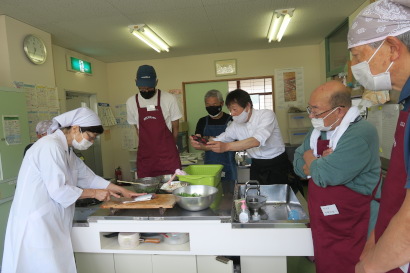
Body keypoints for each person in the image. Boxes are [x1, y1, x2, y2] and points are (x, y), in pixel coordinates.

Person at [2, 107, 142, 273]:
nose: (90, 142)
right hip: (36, 223)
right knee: (39, 266)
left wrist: (121, 189)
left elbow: (89, 177)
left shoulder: (66, 151)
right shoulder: (49, 146)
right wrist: (94, 193)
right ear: (75, 128)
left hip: (51, 220)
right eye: (90, 137)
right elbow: (59, 191)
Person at [347, 1, 410, 272]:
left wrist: (370, 267)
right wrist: (375, 241)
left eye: (359, 56)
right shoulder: (405, 103)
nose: (354, 69)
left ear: (393, 48)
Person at [293, 80, 381, 273]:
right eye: (310, 108)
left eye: (316, 110)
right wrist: (315, 162)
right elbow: (298, 164)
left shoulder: (360, 133)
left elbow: (326, 175)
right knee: (326, 264)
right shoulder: (319, 130)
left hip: (353, 222)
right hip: (324, 222)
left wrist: (312, 160)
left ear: (339, 111)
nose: (311, 115)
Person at [195, 88, 289, 185]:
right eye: (230, 110)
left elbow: (256, 141)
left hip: (277, 165)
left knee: (281, 197)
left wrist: (226, 146)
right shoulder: (235, 124)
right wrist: (200, 141)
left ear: (247, 106)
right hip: (256, 165)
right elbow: (219, 139)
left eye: (234, 109)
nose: (232, 113)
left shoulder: (266, 115)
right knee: (256, 196)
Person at [126, 65, 182, 178]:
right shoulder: (131, 102)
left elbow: (176, 127)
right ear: (136, 82)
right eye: (142, 88)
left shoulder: (169, 99)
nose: (146, 90)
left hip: (167, 156)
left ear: (156, 82)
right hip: (146, 158)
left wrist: (170, 146)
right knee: (148, 191)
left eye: (149, 88)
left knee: (172, 187)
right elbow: (137, 129)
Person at [192, 89, 237, 193]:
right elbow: (197, 144)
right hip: (209, 166)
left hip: (229, 165)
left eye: (214, 104)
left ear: (221, 103)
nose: (211, 107)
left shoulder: (232, 119)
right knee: (211, 194)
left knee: (229, 194)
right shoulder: (202, 121)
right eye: (208, 105)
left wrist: (208, 141)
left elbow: (236, 142)